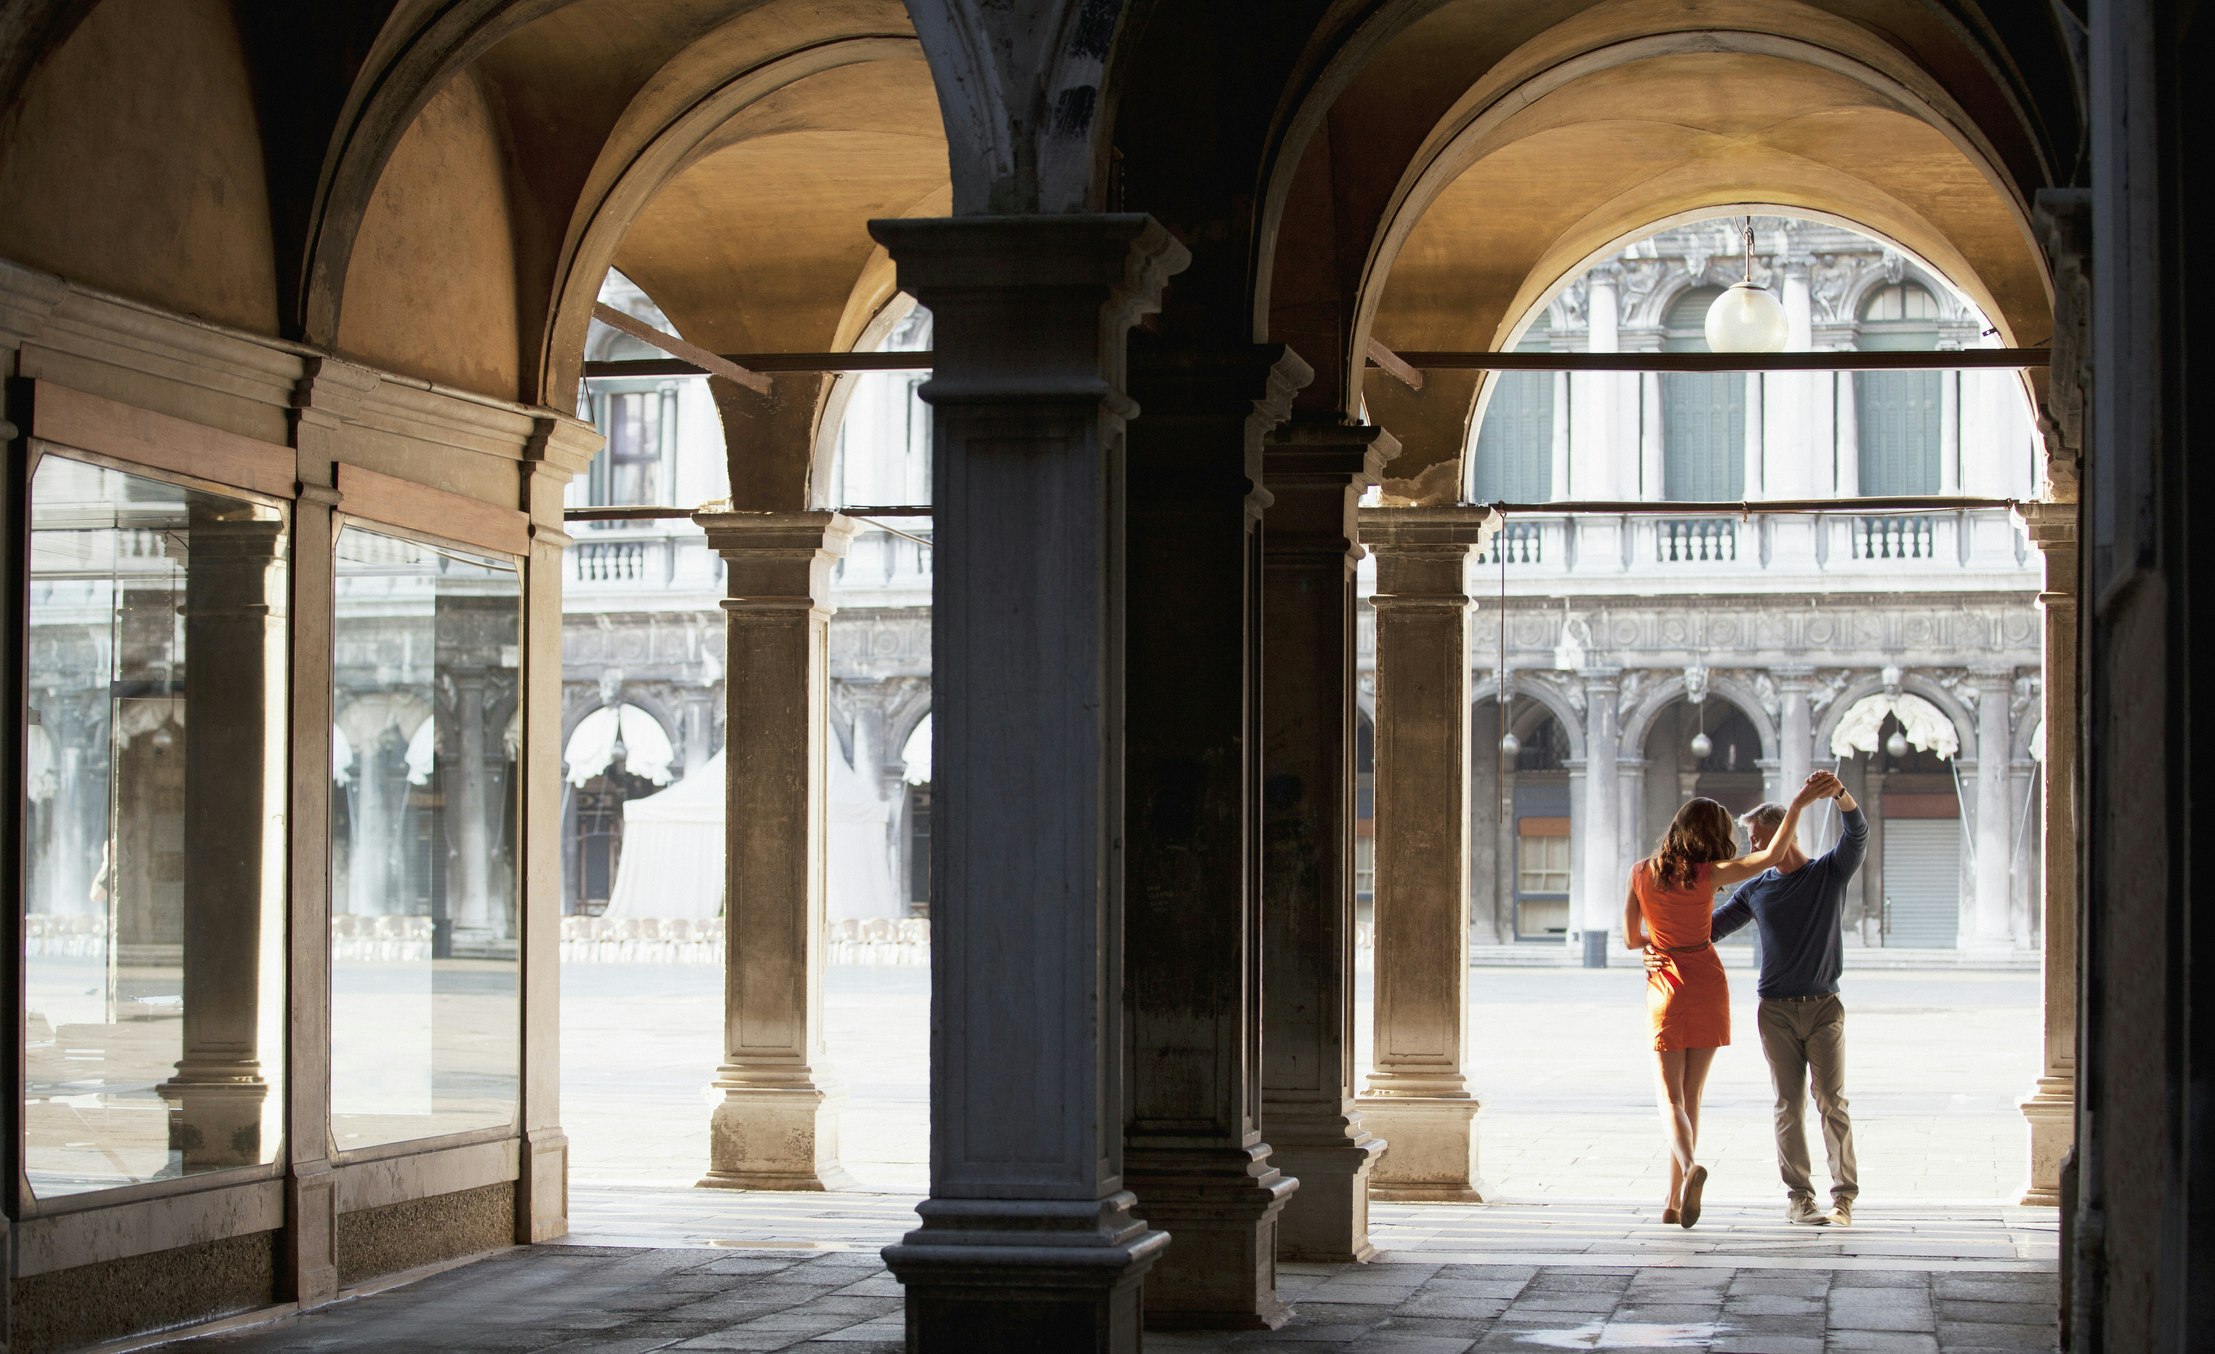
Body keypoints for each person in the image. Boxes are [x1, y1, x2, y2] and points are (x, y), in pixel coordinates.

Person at [1623, 776, 1827, 1228]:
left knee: (1669, 1099)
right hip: (1708, 982)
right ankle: (1674, 1200)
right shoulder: (1709, 874)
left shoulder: (1640, 872)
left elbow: (1628, 939)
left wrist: (1653, 945)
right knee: (1693, 1096)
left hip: (1668, 985)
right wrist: (1797, 804)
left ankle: (1690, 1167)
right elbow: (1772, 855)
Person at [1703, 771, 1868, 1227]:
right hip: (1774, 1010)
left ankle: (1844, 1200)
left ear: (1782, 833)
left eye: (1757, 839)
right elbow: (1710, 930)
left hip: (1823, 1007)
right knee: (1787, 1104)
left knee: (1831, 1101)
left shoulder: (1828, 873)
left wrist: (1839, 794)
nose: (1752, 849)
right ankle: (1800, 1198)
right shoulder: (1756, 888)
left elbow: (1858, 833)